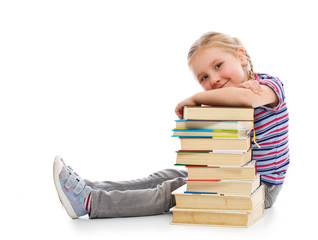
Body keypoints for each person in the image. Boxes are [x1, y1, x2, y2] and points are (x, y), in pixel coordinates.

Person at [53, 31, 289, 219]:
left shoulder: (268, 85)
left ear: (241, 56)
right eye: (203, 78)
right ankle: (92, 187)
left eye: (218, 66)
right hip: (234, 176)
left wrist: (196, 98)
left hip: (261, 189)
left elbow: (247, 99)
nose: (214, 79)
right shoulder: (226, 98)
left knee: (175, 189)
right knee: (167, 175)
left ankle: (91, 202)